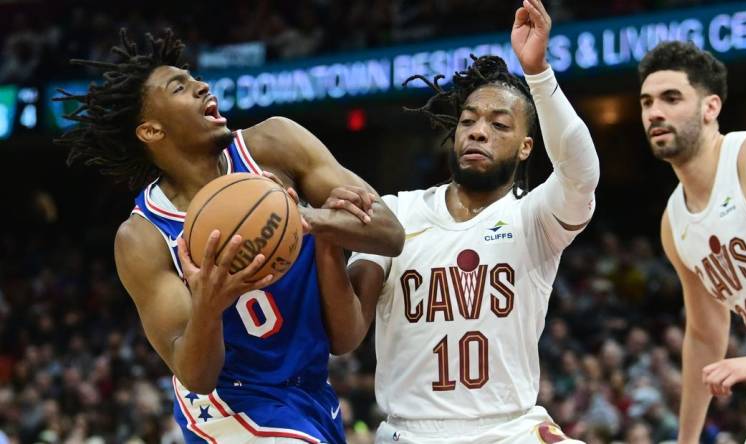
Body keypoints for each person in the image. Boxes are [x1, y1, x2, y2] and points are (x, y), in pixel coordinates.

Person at [55, 29, 404, 443]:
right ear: (151, 131)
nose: (202, 85)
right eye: (179, 87)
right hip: (226, 407)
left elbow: (390, 234)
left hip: (309, 391)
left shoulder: (275, 144)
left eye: (194, 78)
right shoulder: (143, 236)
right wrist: (208, 303)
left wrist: (310, 221)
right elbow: (196, 375)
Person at [336, 1, 599, 442]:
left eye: (499, 125)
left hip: (508, 430)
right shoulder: (395, 212)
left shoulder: (534, 217)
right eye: (469, 121)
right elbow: (345, 332)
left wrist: (538, 72)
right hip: (411, 432)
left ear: (526, 148)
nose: (478, 131)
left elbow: (581, 172)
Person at [638, 40, 746, 443]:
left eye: (672, 98)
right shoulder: (675, 222)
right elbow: (705, 335)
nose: (655, 112)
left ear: (711, 107)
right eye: (647, 101)